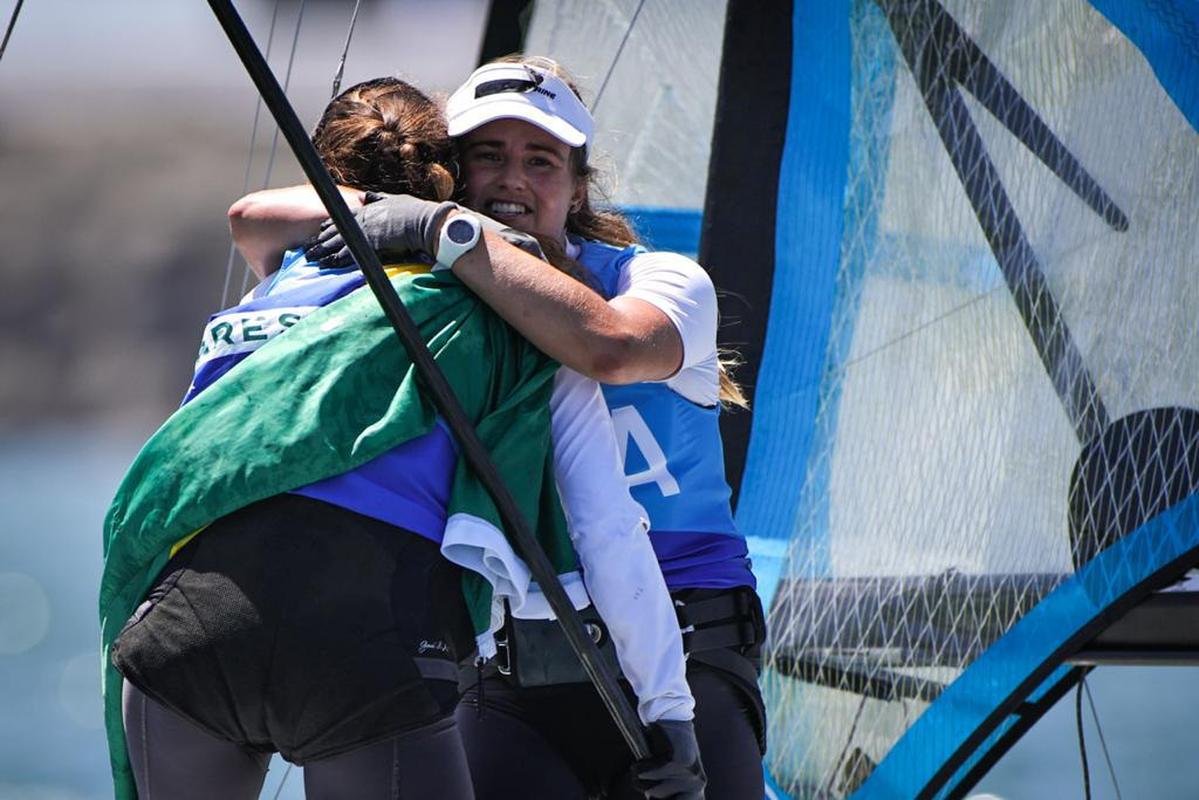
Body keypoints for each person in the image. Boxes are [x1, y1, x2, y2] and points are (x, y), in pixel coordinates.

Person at [100, 77, 702, 800]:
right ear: (449, 181)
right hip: (365, 642)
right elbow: (605, 528)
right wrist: (668, 708)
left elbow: (252, 218)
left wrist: (419, 220)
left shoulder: (272, 284)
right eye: (488, 157)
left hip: (180, 626)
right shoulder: (515, 327)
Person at [236, 57, 765, 799]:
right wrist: (407, 214)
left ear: (577, 187)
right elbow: (253, 223)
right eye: (488, 155)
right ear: (452, 173)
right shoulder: (433, 288)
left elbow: (611, 350)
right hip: (510, 667)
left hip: (687, 647)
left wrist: (445, 230)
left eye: (540, 160)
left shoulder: (660, 280)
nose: (513, 179)